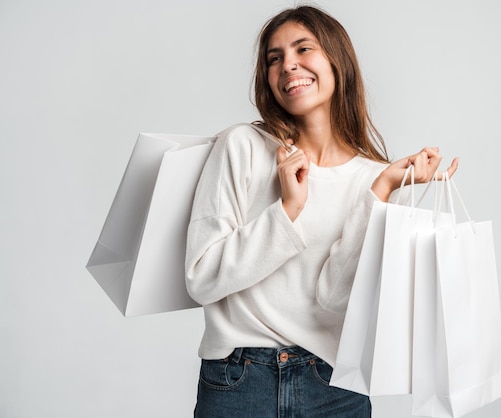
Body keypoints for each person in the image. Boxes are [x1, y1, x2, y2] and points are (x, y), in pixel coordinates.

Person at [185, 5, 458, 417]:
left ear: (336, 60)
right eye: (274, 58)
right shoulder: (241, 146)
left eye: (303, 49)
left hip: (333, 388)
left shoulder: (379, 178)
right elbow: (202, 278)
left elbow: (335, 297)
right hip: (238, 381)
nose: (288, 65)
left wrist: (382, 190)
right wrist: (288, 211)